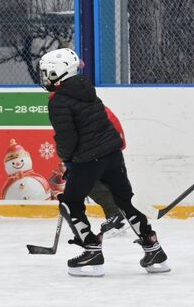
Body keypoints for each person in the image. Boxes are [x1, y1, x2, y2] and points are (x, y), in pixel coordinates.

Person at [42, 47, 169, 277]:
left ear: (57, 73)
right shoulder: (86, 89)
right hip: (112, 154)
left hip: (88, 159)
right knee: (124, 202)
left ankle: (91, 251)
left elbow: (66, 138)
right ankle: (154, 249)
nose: (44, 78)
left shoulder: (58, 101)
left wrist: (69, 160)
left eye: (47, 72)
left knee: (70, 203)